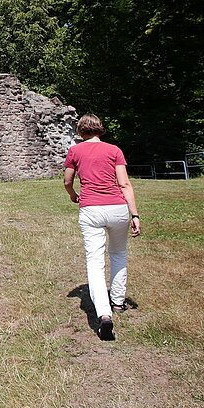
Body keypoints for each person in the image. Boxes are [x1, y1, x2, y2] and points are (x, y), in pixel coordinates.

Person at [63, 113, 141, 341]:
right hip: (117, 208)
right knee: (118, 254)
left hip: (91, 210)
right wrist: (134, 214)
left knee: (95, 262)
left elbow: (67, 180)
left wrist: (72, 195)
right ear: (100, 129)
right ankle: (118, 302)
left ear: (81, 131)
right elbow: (124, 183)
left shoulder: (75, 151)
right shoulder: (114, 150)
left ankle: (104, 315)